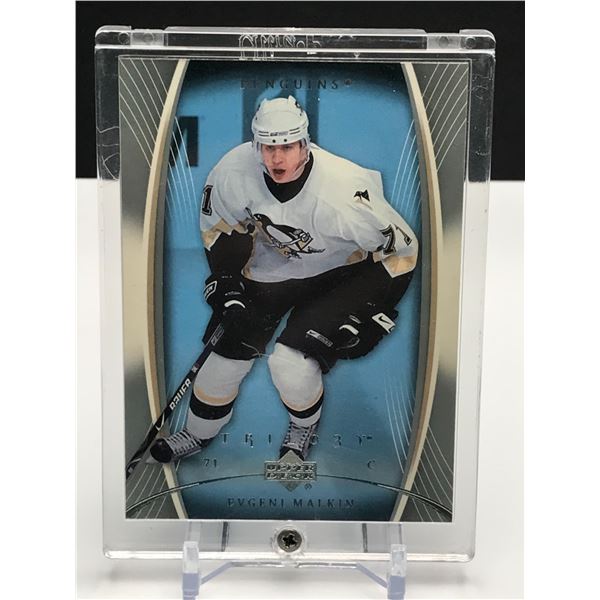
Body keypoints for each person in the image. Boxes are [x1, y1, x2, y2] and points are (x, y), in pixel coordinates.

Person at [150, 95, 418, 464]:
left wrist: (375, 311)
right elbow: (222, 230)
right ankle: (197, 433)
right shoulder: (232, 171)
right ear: (256, 146)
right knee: (221, 364)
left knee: (290, 364)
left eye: (288, 146)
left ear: (305, 145)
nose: (277, 158)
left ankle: (302, 428)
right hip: (270, 273)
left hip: (338, 275)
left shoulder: (344, 192)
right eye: (268, 147)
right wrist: (227, 281)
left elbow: (403, 251)